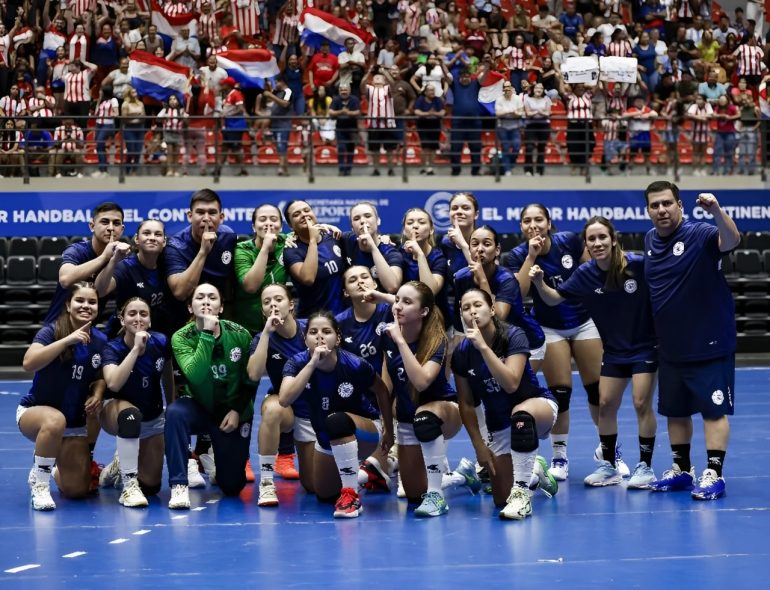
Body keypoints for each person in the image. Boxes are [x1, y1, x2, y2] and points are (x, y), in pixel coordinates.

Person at [529, 217, 658, 489]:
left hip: (644, 348)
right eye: (592, 239)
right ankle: (609, 467)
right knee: (605, 405)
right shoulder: (585, 273)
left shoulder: (636, 265)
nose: (597, 243)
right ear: (585, 244)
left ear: (613, 239)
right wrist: (540, 283)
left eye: (602, 237)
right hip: (614, 351)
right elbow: (555, 298)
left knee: (640, 403)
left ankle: (645, 467)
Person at [643, 182, 740, 501]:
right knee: (676, 410)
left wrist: (716, 212)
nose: (662, 210)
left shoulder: (699, 233)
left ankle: (715, 472)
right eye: (655, 205)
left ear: (680, 206)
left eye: (667, 203)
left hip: (709, 343)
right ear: (648, 211)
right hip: (671, 346)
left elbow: (731, 240)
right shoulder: (649, 240)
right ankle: (682, 470)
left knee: (713, 411)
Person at [504, 204, 604, 481]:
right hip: (549, 327)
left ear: (549, 223)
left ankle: (609, 452)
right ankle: (559, 457)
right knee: (561, 393)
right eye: (527, 221)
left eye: (539, 219)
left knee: (597, 390)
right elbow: (518, 294)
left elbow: (590, 269)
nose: (533, 225)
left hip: (583, 321)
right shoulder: (516, 255)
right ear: (521, 227)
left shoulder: (570, 241)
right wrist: (531, 256)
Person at [453, 289, 558, 519]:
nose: (472, 311)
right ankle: (534, 469)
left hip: (536, 409)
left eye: (477, 305)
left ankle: (522, 495)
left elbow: (511, 383)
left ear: (491, 309)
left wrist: (484, 347)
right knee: (501, 499)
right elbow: (466, 403)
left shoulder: (513, 335)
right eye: (465, 308)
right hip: (499, 425)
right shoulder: (461, 352)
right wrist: (479, 446)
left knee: (520, 415)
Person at [279, 311, 394, 518]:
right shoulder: (296, 363)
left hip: (364, 430)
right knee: (322, 493)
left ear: (338, 338)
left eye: (326, 331)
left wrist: (389, 430)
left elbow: (382, 390)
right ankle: (367, 474)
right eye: (313, 332)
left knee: (336, 420)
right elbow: (284, 399)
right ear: (305, 339)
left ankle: (352, 496)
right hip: (326, 436)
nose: (320, 336)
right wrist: (313, 363)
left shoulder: (354, 364)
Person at [382, 281, 480, 517]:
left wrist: (401, 342)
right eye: (397, 301)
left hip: (443, 413)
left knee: (424, 418)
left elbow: (422, 381)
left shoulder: (436, 340)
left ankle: (436, 496)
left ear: (423, 311)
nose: (398, 307)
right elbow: (386, 387)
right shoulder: (387, 336)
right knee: (414, 494)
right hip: (407, 419)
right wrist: (387, 428)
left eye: (407, 302)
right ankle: (460, 476)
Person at [166, 283, 255, 509]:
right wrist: (206, 333)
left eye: (212, 297)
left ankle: (216, 458)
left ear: (221, 307)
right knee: (175, 413)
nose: (206, 301)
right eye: (200, 297)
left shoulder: (240, 334)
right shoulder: (181, 337)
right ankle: (179, 485)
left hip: (231, 412)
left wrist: (237, 409)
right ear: (190, 308)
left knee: (232, 486)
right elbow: (195, 376)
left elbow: (251, 379)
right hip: (198, 406)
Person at [19, 282, 107, 510]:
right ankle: (40, 483)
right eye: (80, 300)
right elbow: (28, 363)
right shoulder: (51, 330)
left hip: (74, 422)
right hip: (36, 413)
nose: (86, 306)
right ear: (68, 305)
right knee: (54, 420)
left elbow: (100, 376)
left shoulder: (100, 341)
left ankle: (52, 462)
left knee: (77, 490)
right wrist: (67, 340)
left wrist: (97, 393)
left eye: (92, 302)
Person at [98, 298, 172, 507]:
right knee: (131, 415)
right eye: (132, 314)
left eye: (143, 314)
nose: (138, 318)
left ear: (149, 320)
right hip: (116, 411)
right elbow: (113, 383)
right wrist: (135, 351)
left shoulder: (160, 342)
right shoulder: (112, 347)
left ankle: (120, 463)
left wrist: (172, 402)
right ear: (122, 319)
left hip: (152, 415)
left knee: (151, 486)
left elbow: (167, 373)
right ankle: (129, 485)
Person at [247, 284, 312, 505]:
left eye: (278, 299)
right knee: (272, 410)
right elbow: (254, 374)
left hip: (315, 411)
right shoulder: (262, 338)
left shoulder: (311, 330)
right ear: (263, 311)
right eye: (267, 302)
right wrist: (266, 332)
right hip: (288, 409)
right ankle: (266, 481)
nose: (273, 304)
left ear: (291, 304)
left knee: (314, 487)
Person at [165, 189, 237, 331]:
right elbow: (180, 292)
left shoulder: (228, 236)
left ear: (221, 217)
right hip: (183, 318)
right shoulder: (175, 246)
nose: (206, 218)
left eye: (212, 212)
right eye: (200, 212)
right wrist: (203, 252)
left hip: (222, 313)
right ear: (190, 216)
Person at [94, 219, 179, 338]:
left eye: (158, 234)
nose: (152, 237)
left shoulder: (168, 266)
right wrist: (113, 260)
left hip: (157, 335)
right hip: (123, 336)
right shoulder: (125, 266)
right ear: (137, 239)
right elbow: (99, 291)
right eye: (146, 233)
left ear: (164, 241)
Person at [282, 200, 346, 317]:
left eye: (307, 210)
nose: (304, 215)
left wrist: (382, 238)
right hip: (312, 320)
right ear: (290, 225)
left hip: (342, 315)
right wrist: (312, 240)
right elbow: (308, 278)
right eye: (296, 214)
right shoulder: (292, 250)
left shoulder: (332, 236)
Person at [234, 204, 288, 334]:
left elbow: (311, 233)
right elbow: (251, 287)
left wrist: (327, 228)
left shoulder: (288, 242)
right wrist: (265, 248)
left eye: (273, 219)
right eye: (262, 219)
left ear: (281, 226)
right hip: (247, 327)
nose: (268, 223)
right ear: (253, 226)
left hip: (280, 326)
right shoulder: (242, 250)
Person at [400, 208, 450, 325]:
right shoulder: (398, 254)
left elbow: (430, 292)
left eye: (421, 222)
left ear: (431, 229)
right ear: (404, 230)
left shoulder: (438, 258)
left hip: (436, 322)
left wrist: (420, 255)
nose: (415, 226)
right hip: (407, 321)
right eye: (410, 222)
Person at [341, 202, 403, 294]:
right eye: (356, 218)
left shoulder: (390, 252)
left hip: (383, 306)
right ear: (352, 228)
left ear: (378, 221)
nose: (362, 221)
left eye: (367, 216)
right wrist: (328, 227)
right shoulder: (347, 240)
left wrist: (373, 248)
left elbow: (392, 287)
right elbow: (324, 235)